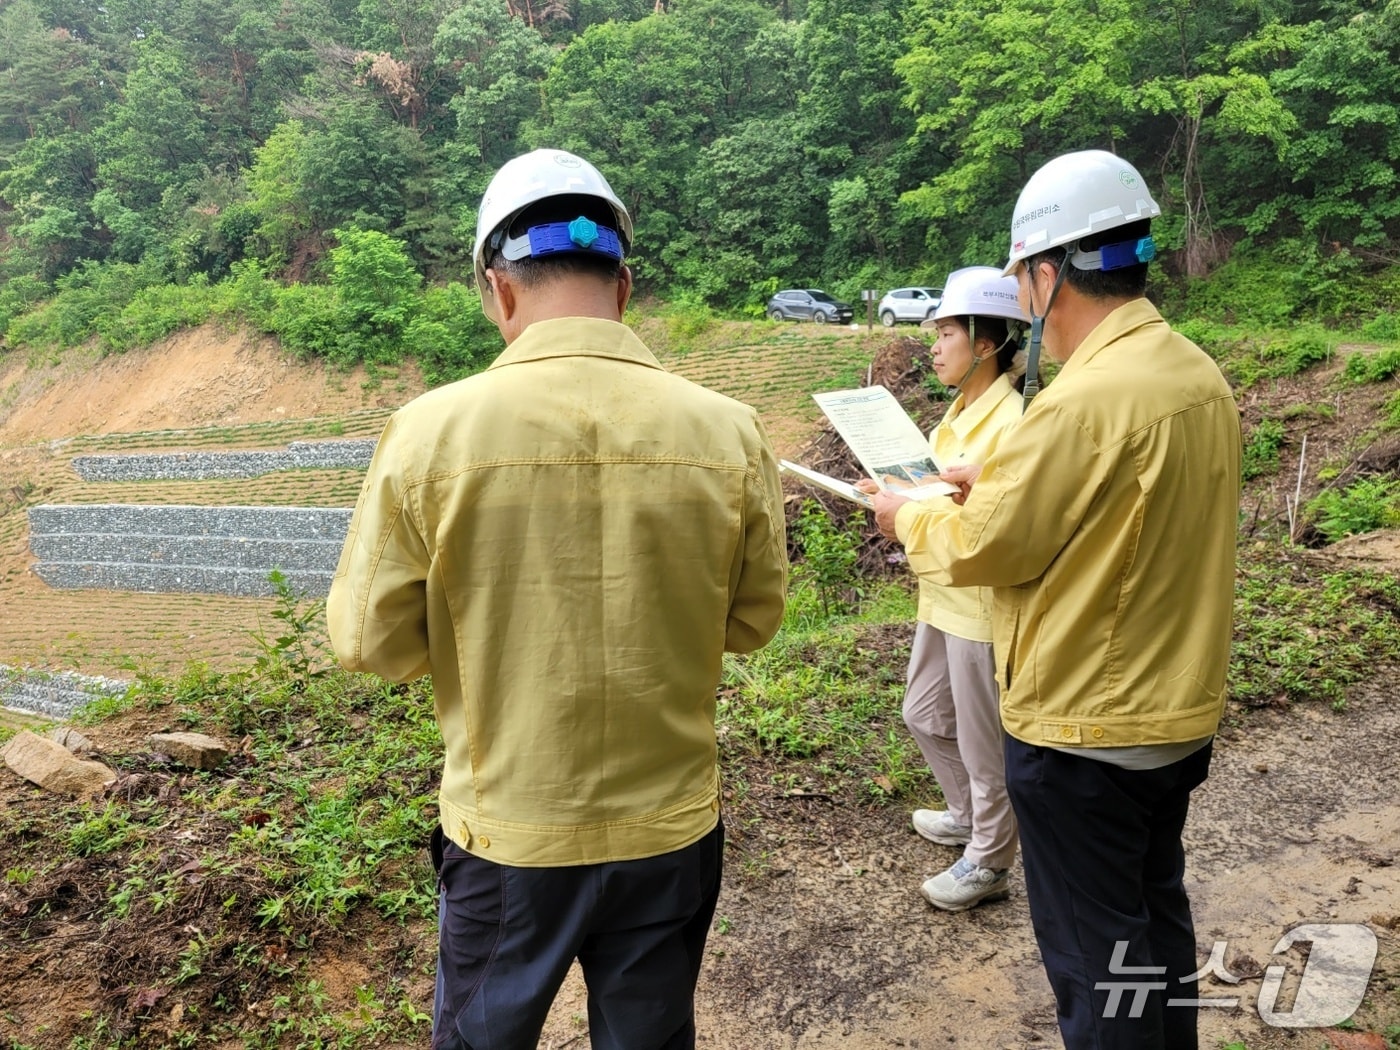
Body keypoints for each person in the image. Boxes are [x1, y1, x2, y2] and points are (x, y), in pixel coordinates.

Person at [326, 147, 788, 1050]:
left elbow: (368, 644)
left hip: (510, 838)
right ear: (623, 287)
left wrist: (479, 632)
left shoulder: (428, 433)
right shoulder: (728, 430)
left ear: (498, 290)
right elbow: (753, 620)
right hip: (671, 828)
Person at [871, 150, 1241, 1049]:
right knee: (1153, 915)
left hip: (1087, 732)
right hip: (1172, 718)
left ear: (1046, 272)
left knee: (1095, 954)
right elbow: (1109, 512)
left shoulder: (1079, 404)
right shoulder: (1196, 376)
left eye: (1022, 279)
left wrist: (904, 516)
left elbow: (983, 545)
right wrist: (989, 474)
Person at [860, 266, 1030, 912]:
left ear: (987, 343)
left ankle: (990, 860)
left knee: (986, 746)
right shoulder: (956, 418)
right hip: (940, 593)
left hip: (980, 605)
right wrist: (893, 498)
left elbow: (992, 528)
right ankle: (967, 817)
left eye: (947, 333)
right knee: (924, 713)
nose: (933, 345)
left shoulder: (1011, 424)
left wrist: (906, 510)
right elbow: (942, 500)